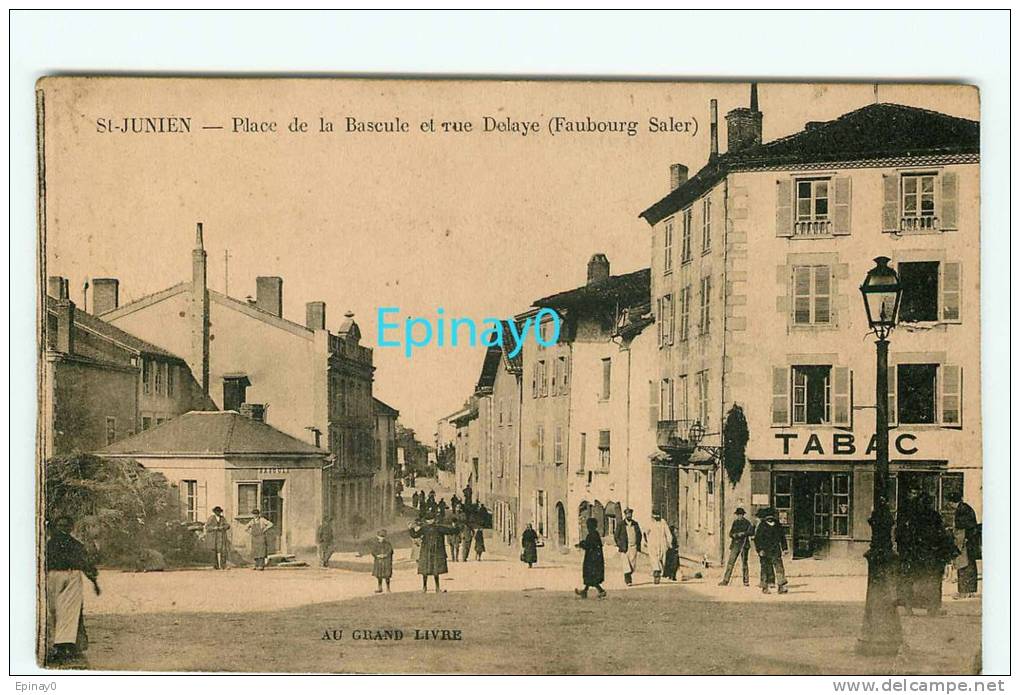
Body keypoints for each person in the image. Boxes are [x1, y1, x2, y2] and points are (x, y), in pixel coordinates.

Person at [45, 516, 100, 666]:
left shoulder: (50, 544)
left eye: (64, 525)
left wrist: (94, 581)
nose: (63, 528)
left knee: (59, 610)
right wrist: (94, 581)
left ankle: (60, 645)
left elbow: (85, 563)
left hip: (58, 576)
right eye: (62, 525)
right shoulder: (74, 544)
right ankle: (64, 645)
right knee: (66, 611)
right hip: (67, 576)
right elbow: (86, 564)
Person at [902, 493, 958, 616]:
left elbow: (907, 535)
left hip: (916, 554)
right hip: (932, 553)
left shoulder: (913, 517)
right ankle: (932, 609)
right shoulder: (934, 516)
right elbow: (940, 534)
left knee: (913, 580)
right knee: (933, 580)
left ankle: (909, 608)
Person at [408, 515, 459, 593]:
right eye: (429, 520)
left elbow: (414, 534)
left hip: (429, 551)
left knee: (432, 570)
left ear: (434, 520)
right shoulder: (437, 528)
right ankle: (430, 588)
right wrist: (455, 526)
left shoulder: (427, 528)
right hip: (433, 551)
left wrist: (410, 528)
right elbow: (415, 535)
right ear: (427, 521)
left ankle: (431, 588)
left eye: (431, 519)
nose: (430, 521)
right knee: (431, 570)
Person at [949, 492, 980, 598]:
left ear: (952, 502)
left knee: (963, 565)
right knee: (970, 565)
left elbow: (961, 527)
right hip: (970, 540)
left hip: (964, 541)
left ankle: (963, 592)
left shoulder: (961, 510)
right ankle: (970, 591)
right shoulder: (966, 508)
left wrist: (959, 541)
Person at [754, 509, 788, 594]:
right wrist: (759, 550)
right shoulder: (762, 525)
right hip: (765, 551)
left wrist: (784, 548)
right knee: (765, 568)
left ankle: (781, 586)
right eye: (768, 517)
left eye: (771, 516)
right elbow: (757, 539)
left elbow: (782, 537)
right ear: (765, 517)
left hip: (776, 550)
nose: (770, 518)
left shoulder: (777, 525)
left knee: (779, 568)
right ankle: (764, 587)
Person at [719, 507, 754, 587]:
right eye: (738, 515)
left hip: (744, 545)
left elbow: (751, 532)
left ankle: (746, 581)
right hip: (735, 544)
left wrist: (744, 533)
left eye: (740, 515)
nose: (739, 516)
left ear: (743, 515)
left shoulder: (747, 523)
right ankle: (726, 580)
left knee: (744, 563)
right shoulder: (735, 522)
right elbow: (730, 533)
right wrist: (734, 535)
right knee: (730, 562)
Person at [574, 517, 607, 599]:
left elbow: (589, 545)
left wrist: (581, 544)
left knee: (591, 576)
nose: (587, 527)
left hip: (592, 559)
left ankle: (601, 591)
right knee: (590, 576)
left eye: (588, 526)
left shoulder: (592, 535)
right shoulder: (595, 534)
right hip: (594, 558)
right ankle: (584, 592)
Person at [613, 508, 642, 586]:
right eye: (627, 514)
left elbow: (639, 534)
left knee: (632, 564)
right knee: (626, 564)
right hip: (624, 547)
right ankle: (628, 580)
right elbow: (616, 536)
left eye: (630, 514)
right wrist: (620, 544)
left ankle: (628, 575)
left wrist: (638, 544)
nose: (629, 515)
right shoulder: (621, 524)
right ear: (625, 515)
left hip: (633, 547)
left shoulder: (635, 524)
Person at [644, 512, 672, 584]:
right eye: (655, 516)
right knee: (654, 559)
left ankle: (659, 571)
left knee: (662, 558)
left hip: (662, 544)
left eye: (658, 516)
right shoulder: (650, 523)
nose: (656, 518)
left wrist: (669, 542)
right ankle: (656, 572)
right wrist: (645, 542)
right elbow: (645, 532)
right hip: (652, 544)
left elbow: (668, 533)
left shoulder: (663, 522)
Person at [204, 506, 231, 570]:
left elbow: (228, 525)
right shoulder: (211, 518)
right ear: (214, 512)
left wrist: (223, 527)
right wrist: (214, 528)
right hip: (214, 537)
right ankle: (215, 565)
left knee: (223, 550)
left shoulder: (222, 518)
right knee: (214, 551)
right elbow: (207, 527)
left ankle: (223, 565)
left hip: (221, 536)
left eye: (219, 511)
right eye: (217, 511)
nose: (218, 513)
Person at [371, 529, 394, 593]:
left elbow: (390, 551)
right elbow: (373, 552)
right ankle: (380, 588)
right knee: (379, 575)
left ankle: (388, 588)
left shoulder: (388, 544)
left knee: (387, 575)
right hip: (379, 561)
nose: (382, 538)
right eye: (380, 537)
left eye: (383, 537)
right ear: (377, 536)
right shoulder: (375, 544)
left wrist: (385, 555)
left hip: (386, 561)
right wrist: (377, 555)